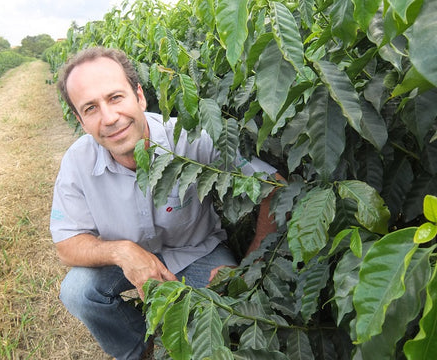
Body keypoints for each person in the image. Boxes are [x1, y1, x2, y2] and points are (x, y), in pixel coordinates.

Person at [50, 46, 284, 360]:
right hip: (122, 262)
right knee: (77, 292)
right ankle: (139, 349)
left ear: (140, 96)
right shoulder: (76, 163)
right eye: (90, 108)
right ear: (80, 121)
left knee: (231, 312)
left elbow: (274, 186)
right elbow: (66, 243)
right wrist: (123, 251)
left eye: (115, 97)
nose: (109, 118)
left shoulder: (191, 139)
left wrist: (253, 261)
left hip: (196, 252)